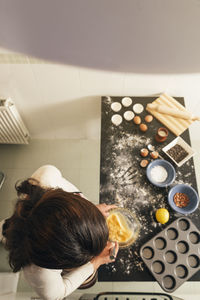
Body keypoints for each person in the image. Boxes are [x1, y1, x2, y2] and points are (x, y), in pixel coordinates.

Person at [0, 165, 119, 300]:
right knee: (8, 231)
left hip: (25, 219)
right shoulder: (38, 271)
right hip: (21, 240)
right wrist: (96, 262)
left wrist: (91, 213)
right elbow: (57, 293)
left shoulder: (47, 176)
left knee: (14, 223)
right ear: (58, 262)